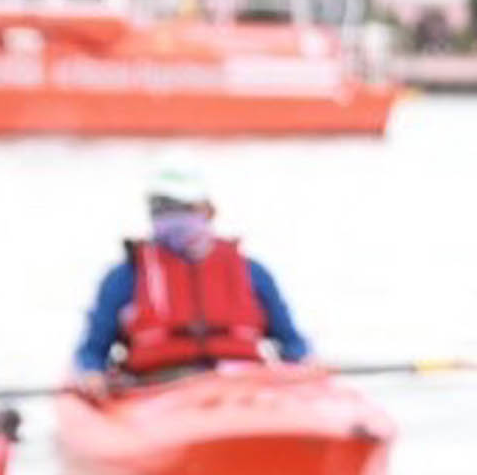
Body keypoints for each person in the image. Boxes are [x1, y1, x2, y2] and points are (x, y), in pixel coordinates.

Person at [69, 163, 314, 399]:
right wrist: (92, 374)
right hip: (159, 387)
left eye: (183, 208)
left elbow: (292, 342)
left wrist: (304, 364)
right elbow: (92, 350)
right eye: (161, 209)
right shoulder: (125, 276)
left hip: (242, 385)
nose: (172, 217)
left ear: (208, 211)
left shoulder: (253, 272)